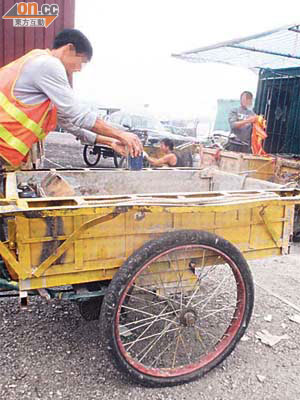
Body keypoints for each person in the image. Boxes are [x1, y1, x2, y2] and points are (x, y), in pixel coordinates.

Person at [0, 29, 142, 170]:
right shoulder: (48, 64)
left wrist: (111, 141)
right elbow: (78, 115)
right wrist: (121, 134)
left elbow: (68, 122)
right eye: (82, 61)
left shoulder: (40, 68)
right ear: (69, 49)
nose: (79, 69)